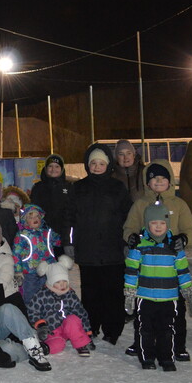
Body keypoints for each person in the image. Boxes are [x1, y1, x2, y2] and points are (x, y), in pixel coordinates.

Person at [122, 160, 192, 360]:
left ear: (170, 181)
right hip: (146, 265)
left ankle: (178, 345)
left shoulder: (178, 204)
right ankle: (141, 343)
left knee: (175, 309)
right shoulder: (140, 204)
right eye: (154, 178)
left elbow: (191, 229)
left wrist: (184, 239)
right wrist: (131, 237)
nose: (159, 181)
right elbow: (129, 227)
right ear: (147, 182)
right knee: (144, 309)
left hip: (170, 266)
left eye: (163, 178)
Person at [66, 144, 132, 345]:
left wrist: (127, 242)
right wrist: (69, 243)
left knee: (113, 292)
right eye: (93, 163)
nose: (96, 167)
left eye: (101, 163)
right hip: (88, 250)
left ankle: (112, 330)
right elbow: (69, 218)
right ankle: (91, 326)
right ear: (87, 165)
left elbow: (128, 218)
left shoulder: (118, 188)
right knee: (91, 292)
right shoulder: (78, 188)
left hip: (113, 251)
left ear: (108, 165)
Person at [26, 256, 93, 357]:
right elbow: (33, 311)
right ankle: (44, 348)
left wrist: (87, 333)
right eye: (58, 282)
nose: (62, 285)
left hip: (68, 329)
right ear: (51, 282)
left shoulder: (70, 295)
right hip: (51, 330)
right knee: (58, 344)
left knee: (73, 319)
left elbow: (81, 313)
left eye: (64, 281)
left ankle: (81, 345)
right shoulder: (42, 295)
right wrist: (40, 325)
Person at [11, 204, 62, 305]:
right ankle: (31, 311)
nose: (35, 219)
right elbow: (16, 254)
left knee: (48, 293)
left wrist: (59, 235)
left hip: (48, 269)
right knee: (30, 295)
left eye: (37, 216)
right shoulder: (22, 235)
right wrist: (18, 271)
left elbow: (58, 242)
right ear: (25, 221)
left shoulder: (47, 232)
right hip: (30, 271)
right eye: (31, 217)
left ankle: (47, 309)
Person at [30, 154, 73, 256]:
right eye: (50, 166)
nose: (53, 169)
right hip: (43, 236)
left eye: (57, 166)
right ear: (46, 168)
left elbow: (71, 214)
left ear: (62, 169)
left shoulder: (69, 187)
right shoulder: (38, 188)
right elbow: (33, 211)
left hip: (63, 237)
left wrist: (68, 241)